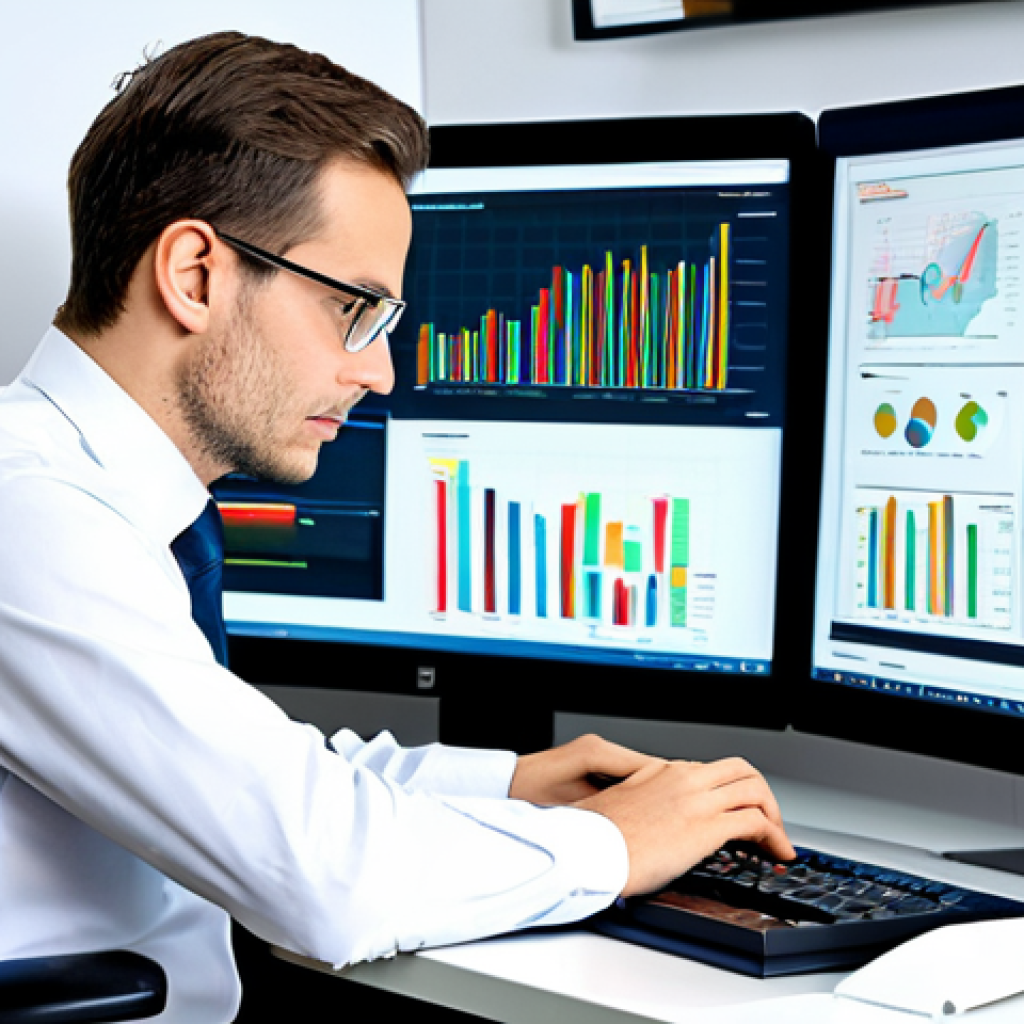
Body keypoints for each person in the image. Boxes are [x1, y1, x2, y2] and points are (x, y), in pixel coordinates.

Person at [0, 31, 794, 1023]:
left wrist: (506, 782)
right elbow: (328, 882)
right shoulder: (29, 516)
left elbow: (234, 764)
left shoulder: (82, 495)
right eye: (356, 310)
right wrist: (616, 843)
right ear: (195, 274)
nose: (378, 374)